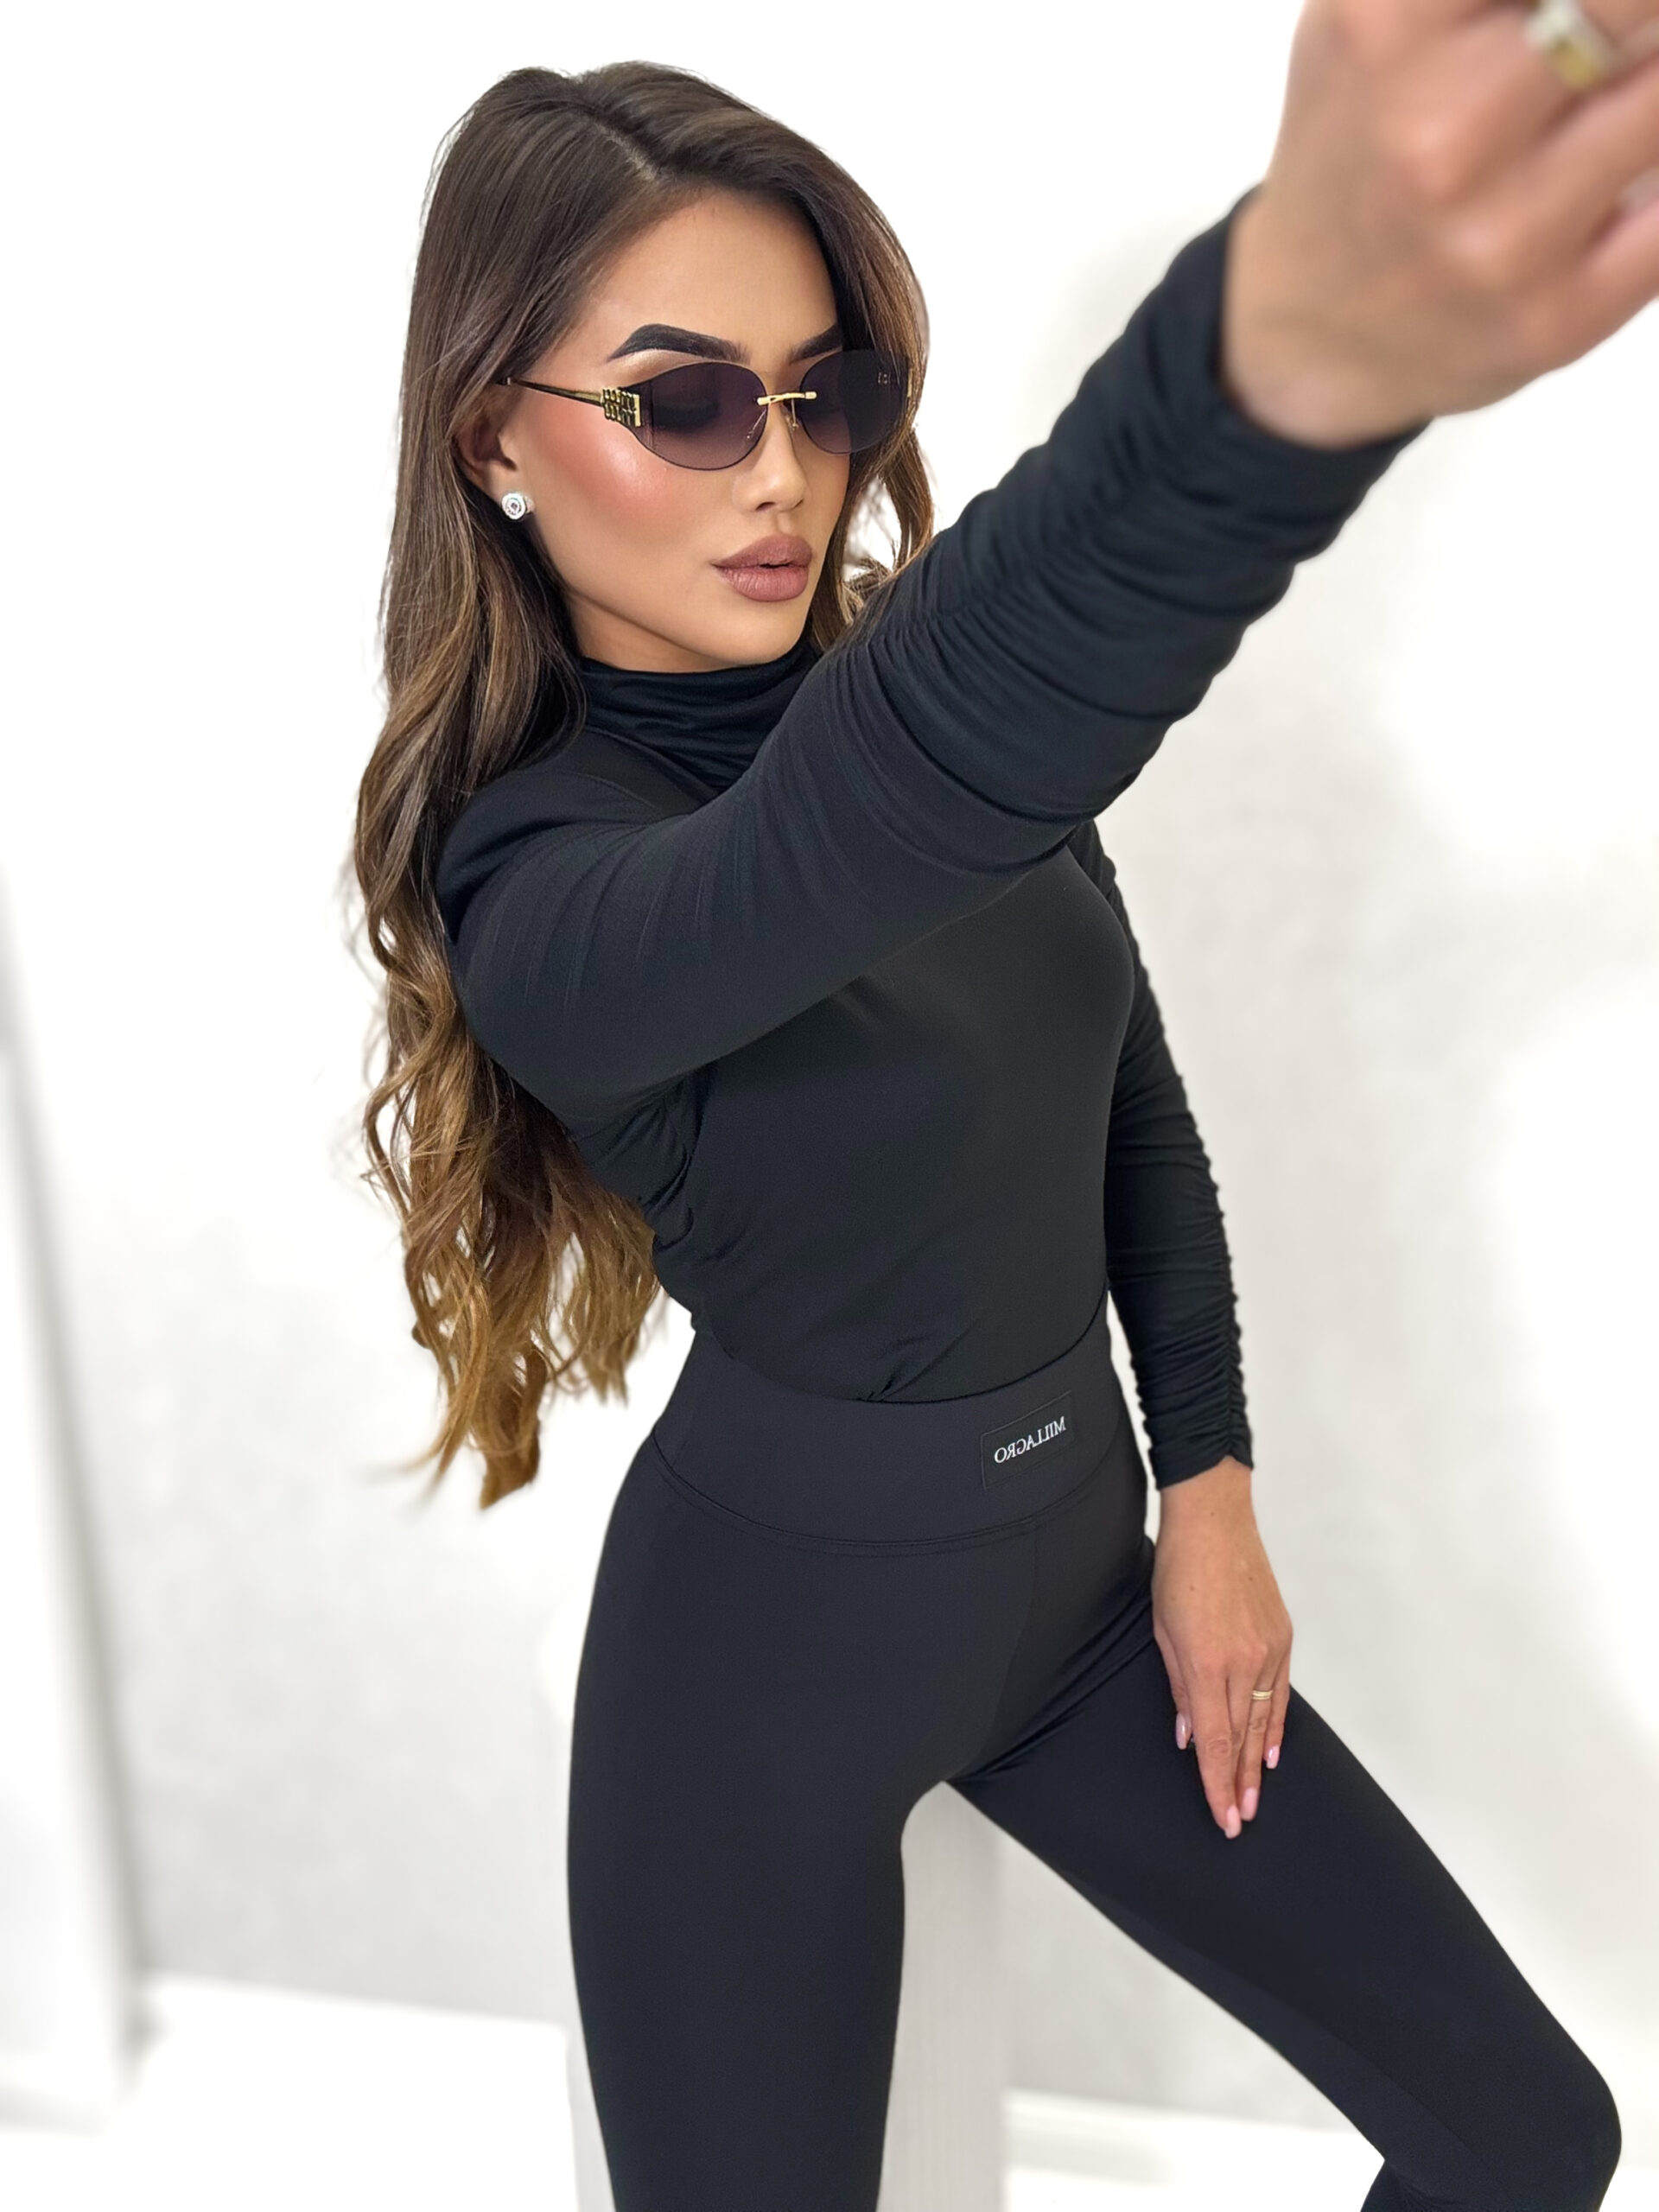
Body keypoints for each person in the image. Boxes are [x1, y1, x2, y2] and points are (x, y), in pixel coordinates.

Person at [352, 11, 1656, 2206]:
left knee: (1528, 2133)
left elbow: (1127, 1095)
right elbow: (871, 804)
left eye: (828, 393)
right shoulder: (546, 890)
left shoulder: (903, 693)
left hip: (1080, 1599)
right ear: (498, 435)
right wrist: (1266, 358)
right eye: (687, 402)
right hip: (758, 1679)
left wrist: (1209, 1484)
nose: (784, 473)